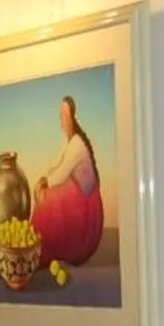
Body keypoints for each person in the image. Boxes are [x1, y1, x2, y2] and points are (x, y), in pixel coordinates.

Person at [33, 96, 104, 267]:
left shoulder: (77, 144)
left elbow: (63, 172)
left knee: (50, 197)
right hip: (78, 192)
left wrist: (45, 183)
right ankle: (42, 243)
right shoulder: (69, 140)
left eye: (64, 115)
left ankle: (45, 248)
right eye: (60, 115)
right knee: (49, 192)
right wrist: (44, 178)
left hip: (88, 208)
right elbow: (56, 164)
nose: (61, 119)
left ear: (72, 117)